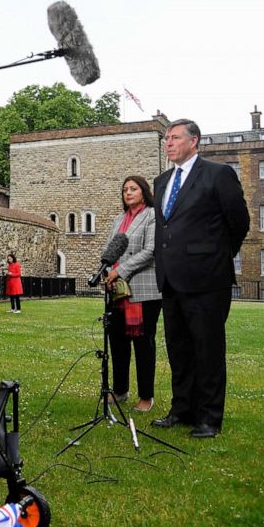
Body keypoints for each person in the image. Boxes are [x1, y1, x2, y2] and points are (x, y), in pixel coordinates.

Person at [151, 119, 249, 439]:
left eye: (175, 137)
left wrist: (213, 256)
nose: (168, 143)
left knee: (207, 350)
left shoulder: (218, 174)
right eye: (167, 138)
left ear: (194, 141)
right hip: (170, 280)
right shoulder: (162, 181)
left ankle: (209, 418)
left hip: (207, 280)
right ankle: (182, 410)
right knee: (178, 351)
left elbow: (238, 223)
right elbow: (165, 228)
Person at [102, 177, 162, 413]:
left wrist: (120, 270)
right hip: (118, 293)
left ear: (143, 192)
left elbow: (151, 251)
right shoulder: (119, 220)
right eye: (125, 189)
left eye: (133, 188)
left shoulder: (152, 215)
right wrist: (108, 271)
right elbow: (109, 251)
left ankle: (146, 396)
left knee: (143, 345)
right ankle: (120, 390)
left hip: (143, 291)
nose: (128, 193)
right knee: (117, 342)